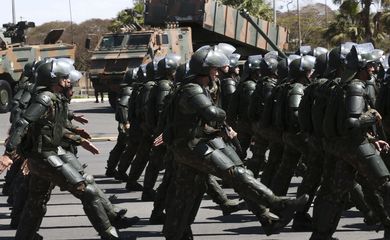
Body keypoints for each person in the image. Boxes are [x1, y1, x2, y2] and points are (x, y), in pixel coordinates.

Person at [162, 46, 308, 240]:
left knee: (186, 194)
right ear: (206, 69)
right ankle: (277, 203)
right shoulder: (192, 89)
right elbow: (212, 113)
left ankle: (175, 233)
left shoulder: (199, 86)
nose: (217, 73)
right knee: (235, 173)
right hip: (190, 147)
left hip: (191, 144)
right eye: (214, 69)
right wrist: (223, 119)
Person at [0, 59, 138, 240]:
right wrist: (8, 153)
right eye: (64, 78)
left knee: (36, 202)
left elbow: (53, 128)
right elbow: (23, 123)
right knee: (86, 191)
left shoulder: (53, 99)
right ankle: (110, 236)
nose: (67, 81)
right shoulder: (45, 98)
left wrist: (79, 140)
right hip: (45, 157)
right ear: (54, 80)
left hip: (46, 155)